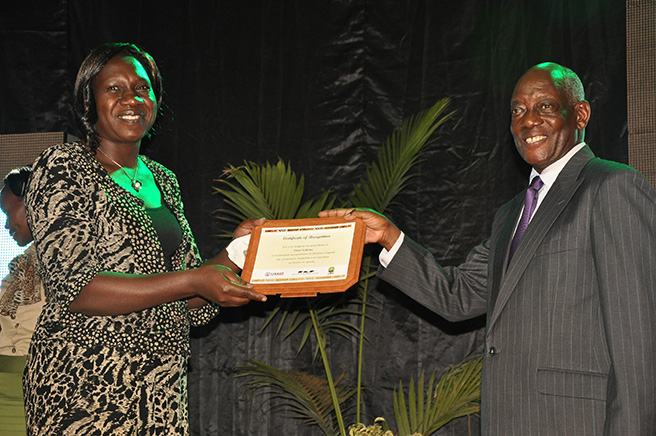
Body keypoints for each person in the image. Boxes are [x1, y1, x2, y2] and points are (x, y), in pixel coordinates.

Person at [320, 62, 656, 435]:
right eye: (517, 110)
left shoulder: (612, 187)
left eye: (545, 106)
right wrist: (387, 236)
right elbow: (455, 296)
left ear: (580, 113)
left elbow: (638, 340)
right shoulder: (510, 214)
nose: (528, 121)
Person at [23, 42, 267, 435]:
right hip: (85, 388)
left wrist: (236, 250)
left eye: (141, 88)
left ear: (155, 99)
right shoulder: (63, 167)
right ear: (88, 103)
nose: (130, 99)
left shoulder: (164, 180)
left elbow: (188, 296)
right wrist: (192, 280)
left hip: (161, 393)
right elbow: (77, 287)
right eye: (113, 88)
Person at [0, 167, 45, 436]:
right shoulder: (18, 266)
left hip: (40, 395)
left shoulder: (70, 260)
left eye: (8, 214)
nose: (5, 226)